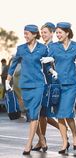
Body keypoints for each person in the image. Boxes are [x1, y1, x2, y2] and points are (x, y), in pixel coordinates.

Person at [5, 24, 49, 155]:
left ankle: (28, 143)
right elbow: (13, 65)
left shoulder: (43, 48)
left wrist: (52, 70)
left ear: (35, 34)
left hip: (39, 85)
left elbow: (46, 66)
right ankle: (42, 139)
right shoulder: (21, 49)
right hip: (25, 85)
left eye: (27, 33)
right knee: (31, 114)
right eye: (24, 33)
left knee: (34, 113)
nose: (25, 36)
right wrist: (8, 80)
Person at [41, 22, 76, 154]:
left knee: (67, 113)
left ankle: (75, 134)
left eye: (60, 32)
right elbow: (47, 64)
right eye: (56, 33)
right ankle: (64, 141)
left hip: (71, 84)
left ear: (67, 33)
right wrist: (52, 71)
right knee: (59, 114)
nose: (57, 35)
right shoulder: (53, 46)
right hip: (57, 84)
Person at [32, 22, 61, 151]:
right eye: (42, 32)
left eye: (45, 32)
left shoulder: (54, 47)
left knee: (46, 114)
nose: (43, 34)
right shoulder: (42, 47)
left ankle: (65, 131)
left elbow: (57, 64)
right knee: (42, 114)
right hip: (41, 84)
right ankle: (41, 140)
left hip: (52, 83)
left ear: (51, 33)